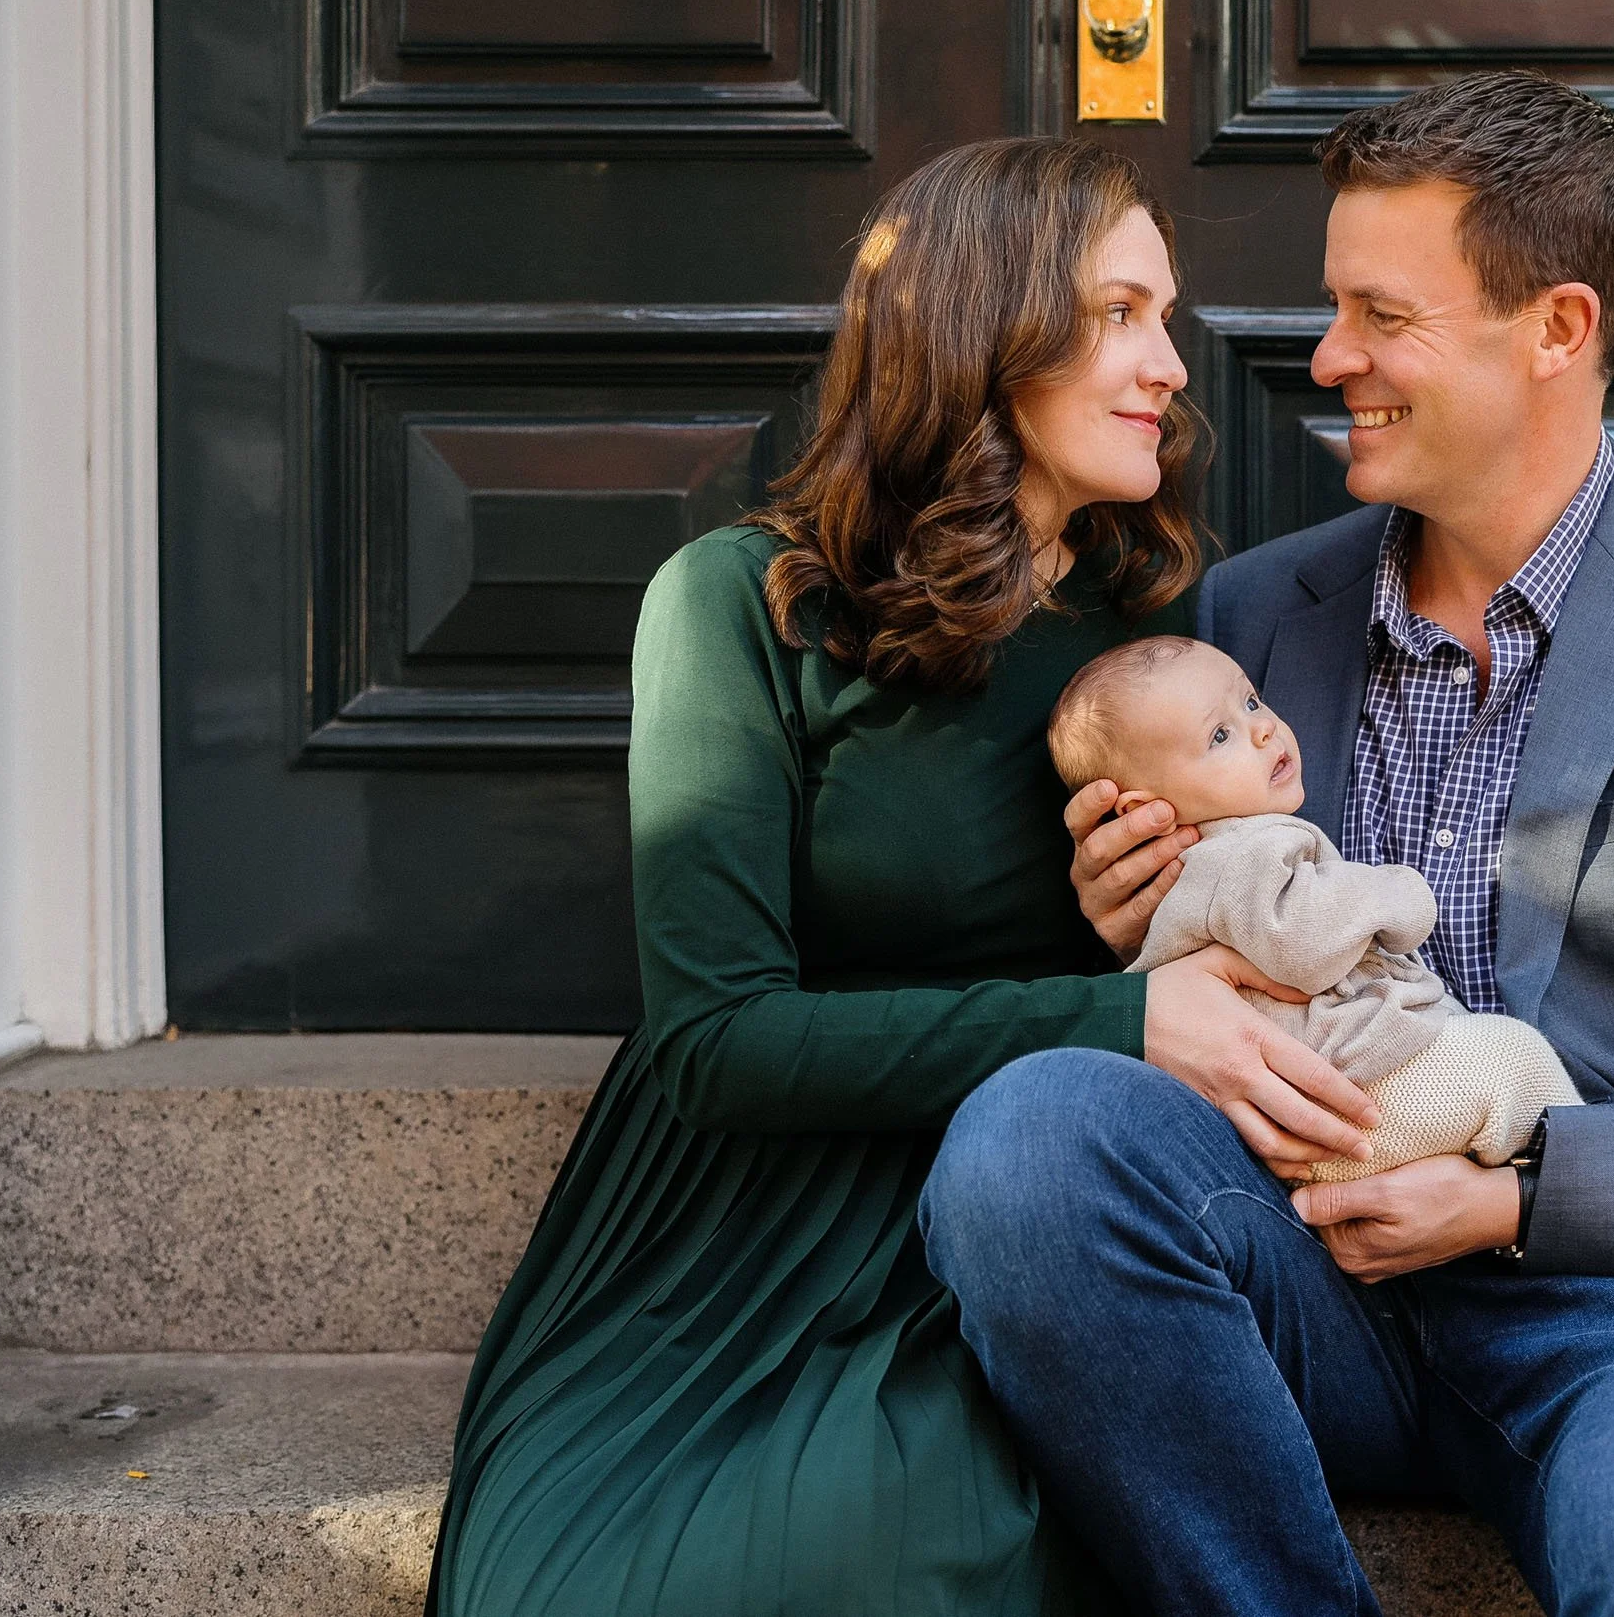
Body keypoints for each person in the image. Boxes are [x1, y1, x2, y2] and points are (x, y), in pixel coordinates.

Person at [920, 72, 1614, 1617]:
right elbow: (1219, 970)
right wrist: (1135, 932)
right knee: (1029, 1138)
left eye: (1380, 313)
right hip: (1303, 1258)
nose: (1327, 354)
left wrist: (1528, 1192)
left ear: (1556, 330)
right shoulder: (1245, 616)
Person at [424, 136, 1383, 1617]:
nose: (1172, 365)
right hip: (747, 1222)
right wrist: (1120, 1016)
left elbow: (1241, 941)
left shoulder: (1162, 627)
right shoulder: (742, 606)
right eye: (1121, 312)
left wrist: (1135, 941)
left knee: (937, 1549)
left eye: (1165, 317)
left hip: (1014, 1207)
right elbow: (716, 1040)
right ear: (986, 331)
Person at [1045, 632, 1577, 1182]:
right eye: (1220, 735)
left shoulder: (1204, 863)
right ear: (1145, 809)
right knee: (1515, 1060)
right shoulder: (1240, 853)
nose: (1263, 727)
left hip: (1316, 1096)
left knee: (1478, 1058)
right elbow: (1304, 945)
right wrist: (1401, 893)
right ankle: (1570, 1193)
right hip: (1344, 1096)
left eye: (1250, 701)